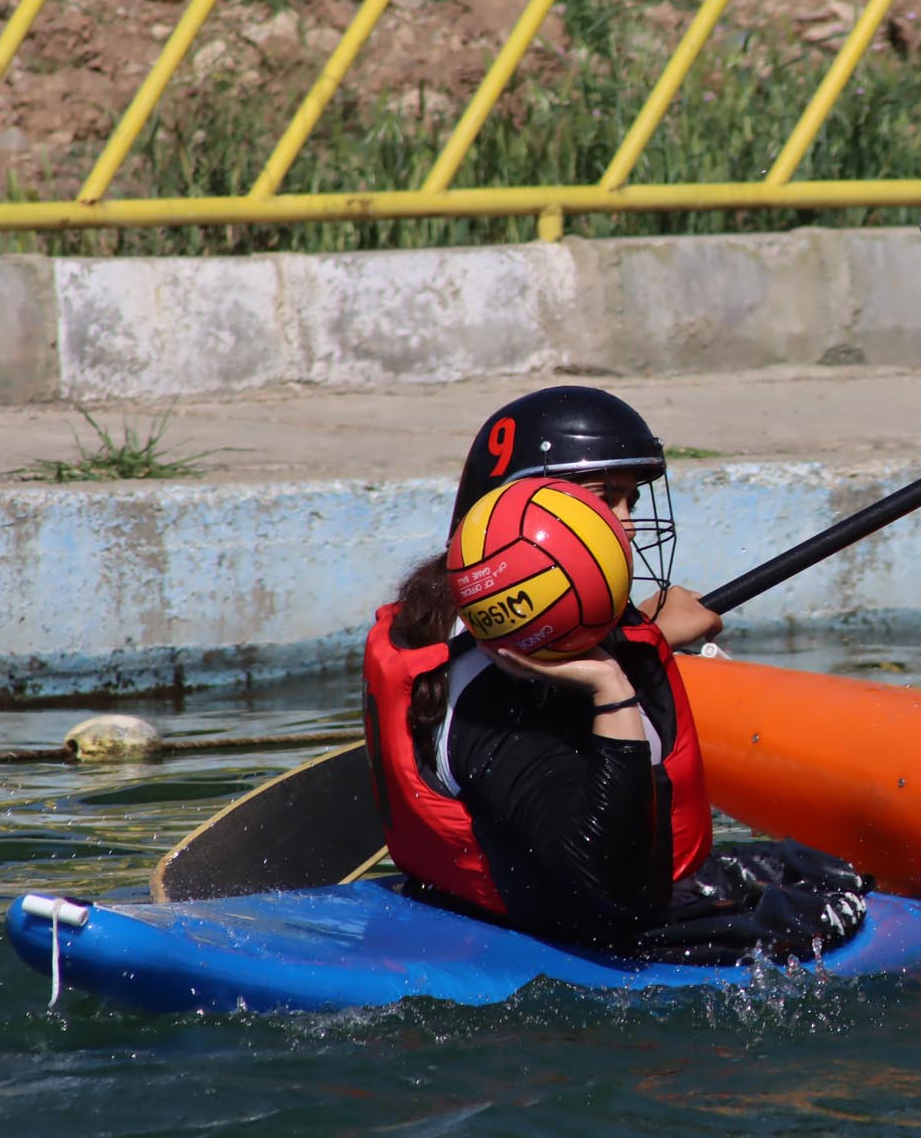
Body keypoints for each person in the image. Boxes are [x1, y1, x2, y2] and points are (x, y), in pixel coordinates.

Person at [362, 386, 868, 955]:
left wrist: (643, 636)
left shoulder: (480, 614)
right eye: (604, 500)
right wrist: (612, 690)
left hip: (534, 890)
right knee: (828, 920)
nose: (625, 525)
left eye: (629, 501)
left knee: (830, 869)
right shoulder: (502, 700)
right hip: (587, 922)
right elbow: (611, 899)